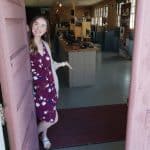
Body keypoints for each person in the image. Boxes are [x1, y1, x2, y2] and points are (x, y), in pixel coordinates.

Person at [29, 16, 72, 149]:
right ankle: (32, 135)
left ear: (46, 29)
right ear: (31, 25)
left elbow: (51, 65)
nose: (38, 28)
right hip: (38, 91)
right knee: (52, 118)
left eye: (42, 26)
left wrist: (62, 63)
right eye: (36, 24)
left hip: (50, 87)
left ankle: (44, 136)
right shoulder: (26, 46)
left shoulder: (45, 44)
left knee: (46, 117)